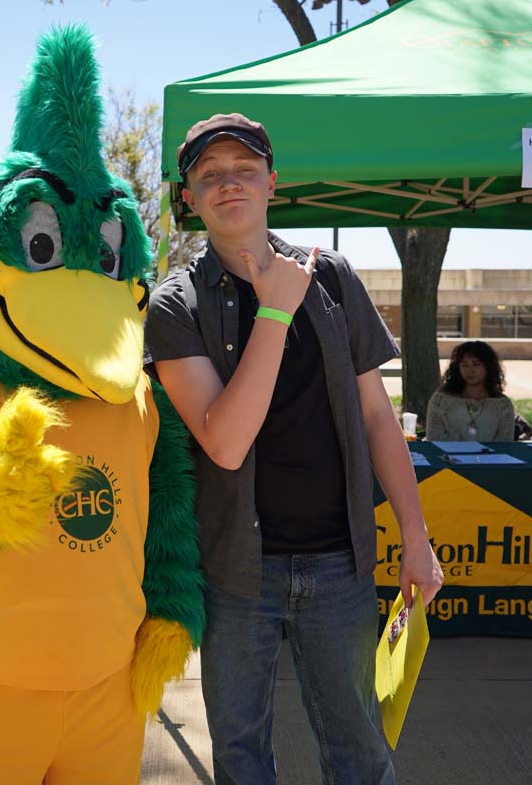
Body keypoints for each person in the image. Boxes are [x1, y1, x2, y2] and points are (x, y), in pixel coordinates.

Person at [145, 113, 444, 784]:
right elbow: (223, 443)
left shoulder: (332, 278)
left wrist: (415, 537)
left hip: (339, 563)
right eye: (209, 175)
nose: (229, 184)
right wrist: (275, 311)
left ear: (272, 182)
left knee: (361, 753)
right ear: (188, 197)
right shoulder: (175, 306)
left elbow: (377, 416)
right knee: (243, 758)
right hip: (235, 575)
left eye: (244, 170)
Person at [426, 340, 515, 442]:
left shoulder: (503, 405)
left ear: (488, 367)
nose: (470, 370)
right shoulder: (440, 401)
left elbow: (505, 444)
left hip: (490, 458)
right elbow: (434, 440)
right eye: (464, 365)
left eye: (476, 364)